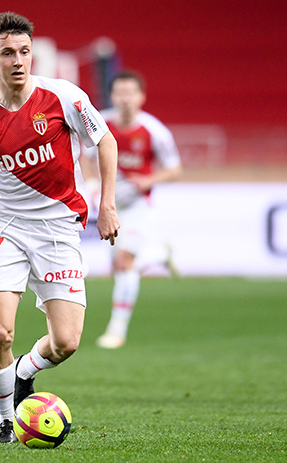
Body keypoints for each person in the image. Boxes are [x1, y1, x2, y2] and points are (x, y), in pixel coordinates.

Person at [0, 12, 120, 443]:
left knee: (65, 342)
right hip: (5, 229)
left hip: (58, 229)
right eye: (8, 53)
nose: (18, 61)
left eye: (25, 51)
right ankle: (5, 421)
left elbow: (105, 140)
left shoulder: (63, 97)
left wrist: (107, 204)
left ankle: (24, 372)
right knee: (0, 331)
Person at [90, 70, 182, 349]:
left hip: (138, 206)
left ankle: (116, 330)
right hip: (109, 204)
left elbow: (175, 169)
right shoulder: (100, 123)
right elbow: (85, 155)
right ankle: (158, 255)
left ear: (141, 97)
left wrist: (149, 180)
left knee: (123, 262)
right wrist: (91, 184)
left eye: (130, 93)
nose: (125, 99)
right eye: (120, 93)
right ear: (112, 96)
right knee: (118, 267)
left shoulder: (154, 131)